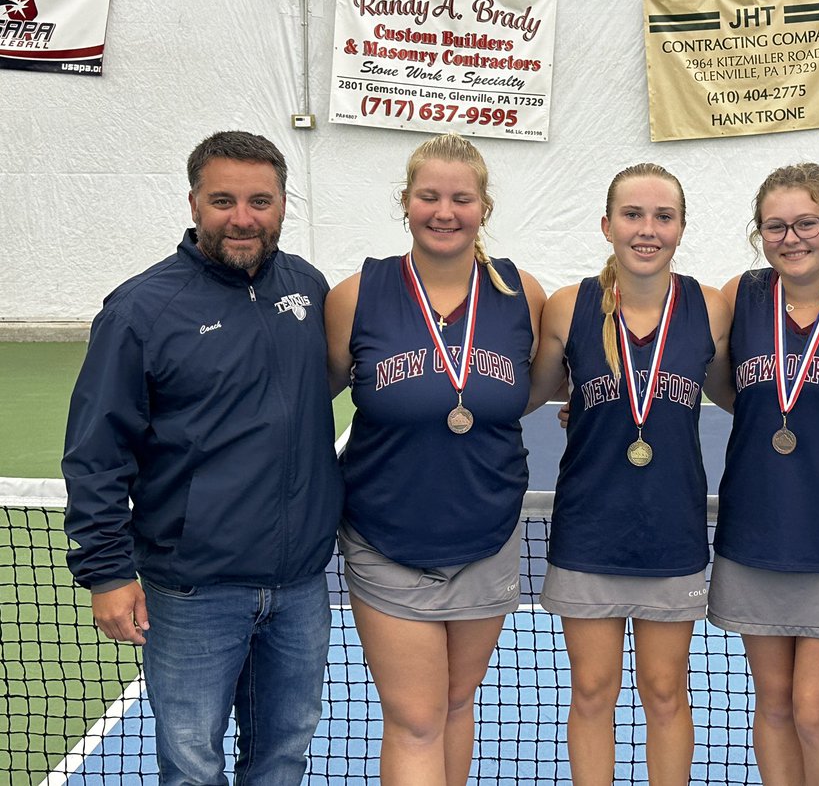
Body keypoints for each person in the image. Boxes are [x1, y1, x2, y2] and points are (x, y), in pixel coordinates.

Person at [62, 131, 344, 785]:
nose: (243, 217)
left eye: (259, 201)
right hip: (192, 592)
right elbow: (96, 455)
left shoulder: (306, 287)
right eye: (223, 200)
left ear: (281, 205)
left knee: (283, 755)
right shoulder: (139, 312)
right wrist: (106, 573)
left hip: (300, 586)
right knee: (192, 766)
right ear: (194, 202)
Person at [325, 133, 545, 786]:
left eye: (460, 198)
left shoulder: (522, 293)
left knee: (454, 703)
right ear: (406, 202)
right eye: (429, 196)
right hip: (386, 535)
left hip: (487, 532)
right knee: (416, 716)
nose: (444, 211)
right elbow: (308, 399)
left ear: (484, 207)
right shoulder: (356, 294)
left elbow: (538, 386)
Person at [527, 163, 731, 786]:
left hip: (671, 531)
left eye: (662, 217)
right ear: (607, 225)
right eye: (633, 215)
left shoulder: (711, 307)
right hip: (589, 529)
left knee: (666, 692)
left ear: (682, 227)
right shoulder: (569, 307)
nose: (648, 230)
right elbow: (526, 394)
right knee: (591, 692)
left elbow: (739, 394)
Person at [707, 163, 819, 785]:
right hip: (756, 529)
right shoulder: (741, 296)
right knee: (776, 705)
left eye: (807, 223)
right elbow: (694, 372)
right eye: (775, 226)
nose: (792, 238)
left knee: (816, 711)